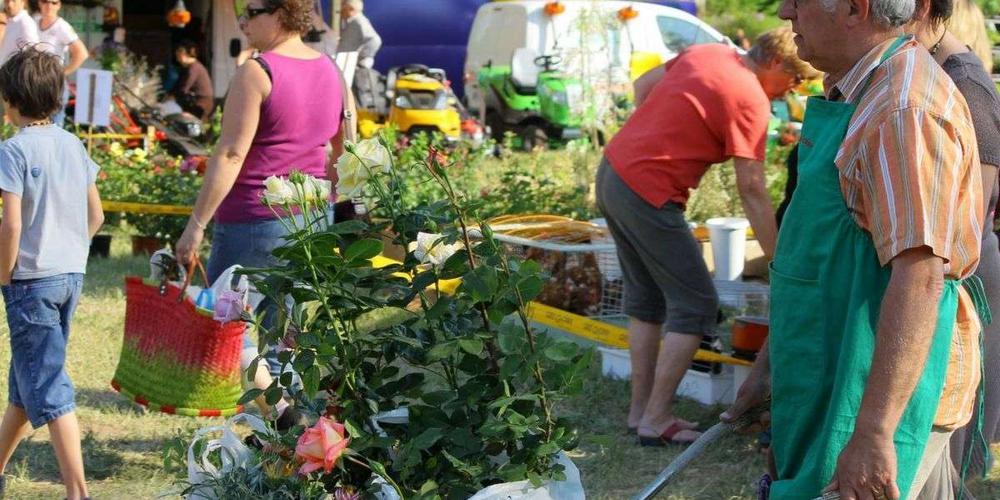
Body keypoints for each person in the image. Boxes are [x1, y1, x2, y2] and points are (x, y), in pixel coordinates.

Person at [722, 0, 986, 497]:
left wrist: (874, 432)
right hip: (833, 363)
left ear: (854, 8)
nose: (784, 12)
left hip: (878, 392)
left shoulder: (902, 109)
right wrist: (770, 367)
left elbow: (920, 276)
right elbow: (818, 263)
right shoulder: (860, 90)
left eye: (798, 0)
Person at [594, 26, 815, 445]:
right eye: (795, 78)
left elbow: (644, 86)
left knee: (646, 301)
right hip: (648, 191)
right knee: (696, 304)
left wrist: (660, 133)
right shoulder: (750, 99)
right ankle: (656, 419)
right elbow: (751, 188)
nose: (792, 91)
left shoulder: (710, 53)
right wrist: (777, 260)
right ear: (774, 62)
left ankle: (640, 412)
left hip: (614, 172)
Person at [174, 0, 345, 426]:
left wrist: (195, 225)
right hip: (310, 218)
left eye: (253, 11)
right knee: (284, 335)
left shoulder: (258, 71)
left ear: (283, 13)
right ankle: (291, 440)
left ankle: (284, 419)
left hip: (253, 220)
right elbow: (343, 150)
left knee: (224, 323)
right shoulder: (332, 69)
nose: (244, 21)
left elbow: (231, 153)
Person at [0, 47, 104, 500]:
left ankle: (77, 493)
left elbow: (12, 224)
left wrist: (4, 275)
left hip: (29, 283)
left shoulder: (13, 150)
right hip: (69, 278)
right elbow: (95, 215)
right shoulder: (72, 144)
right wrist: (70, 247)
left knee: (50, 387)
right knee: (27, 386)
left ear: (12, 100)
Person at [909, 0, 1000, 484]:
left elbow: (969, 213)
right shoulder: (930, 67)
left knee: (949, 426)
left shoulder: (965, 81)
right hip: (939, 272)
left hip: (962, 276)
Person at [337, 0, 380, 109]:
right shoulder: (352, 22)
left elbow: (375, 40)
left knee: (357, 98)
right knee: (351, 97)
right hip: (349, 67)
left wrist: (361, 59)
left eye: (343, 7)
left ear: (351, 9)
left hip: (356, 69)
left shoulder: (359, 21)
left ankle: (358, 122)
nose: (340, 11)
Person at [33, 0, 87, 75]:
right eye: (45, 1)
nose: (49, 6)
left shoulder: (62, 26)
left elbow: (82, 53)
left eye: (54, 3)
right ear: (39, 3)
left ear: (59, 5)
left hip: (50, 78)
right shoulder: (33, 21)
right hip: (33, 76)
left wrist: (62, 74)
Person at [172, 39, 215, 122]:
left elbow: (184, 87)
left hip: (202, 103)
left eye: (178, 54)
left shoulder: (193, 68)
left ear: (183, 54)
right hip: (199, 102)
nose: (177, 58)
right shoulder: (190, 67)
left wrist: (173, 96)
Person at [0, 0, 35, 65]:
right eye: (7, 1)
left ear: (22, 2)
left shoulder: (26, 22)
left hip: (14, 72)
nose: (9, 4)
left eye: (13, 1)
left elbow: (33, 51)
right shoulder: (8, 21)